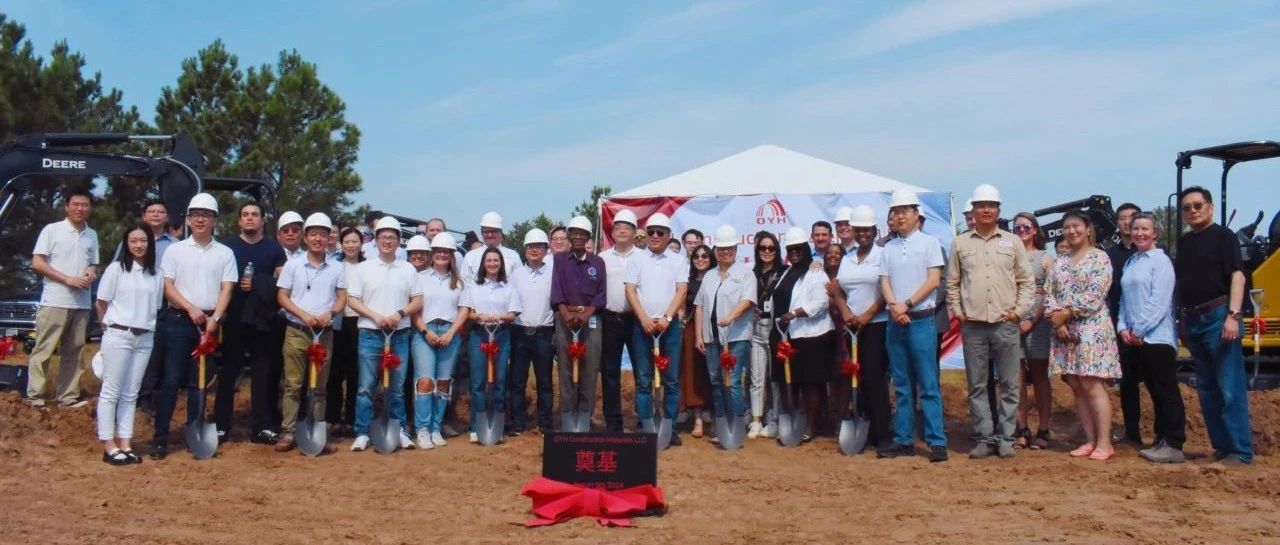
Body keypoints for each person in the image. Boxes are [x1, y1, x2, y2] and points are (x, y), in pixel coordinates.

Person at [946, 184, 1034, 459]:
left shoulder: (1012, 242)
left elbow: (1026, 281)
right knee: (977, 384)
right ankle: (984, 437)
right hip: (972, 325)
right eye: (981, 205)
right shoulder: (960, 243)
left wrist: (1018, 312)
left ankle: (1006, 437)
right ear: (972, 210)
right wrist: (958, 311)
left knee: (1009, 383)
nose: (986, 209)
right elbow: (952, 282)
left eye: (991, 205)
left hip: (1005, 323)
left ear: (998, 210)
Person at [149, 193, 236, 459]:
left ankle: (194, 431)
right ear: (187, 219)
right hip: (178, 321)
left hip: (209, 324)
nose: (200, 219)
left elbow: (227, 288)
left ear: (214, 221)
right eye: (195, 214)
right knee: (171, 380)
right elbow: (168, 286)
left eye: (206, 215)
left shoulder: (225, 253)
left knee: (199, 383)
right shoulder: (175, 250)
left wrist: (215, 319)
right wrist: (191, 308)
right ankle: (160, 438)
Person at [1175, 187, 1253, 466]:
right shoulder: (1184, 243)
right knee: (1207, 387)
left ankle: (1241, 451)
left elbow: (1238, 276)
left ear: (1209, 207)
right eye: (1187, 207)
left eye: (1198, 205)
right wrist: (1181, 320)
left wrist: (1233, 315)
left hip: (1218, 316)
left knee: (1230, 386)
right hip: (1193, 319)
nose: (1193, 210)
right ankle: (1221, 447)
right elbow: (1182, 282)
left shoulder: (1224, 237)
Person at [878, 189, 948, 462]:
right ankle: (903, 439)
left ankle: (937, 441)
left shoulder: (929, 243)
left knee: (928, 384)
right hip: (895, 323)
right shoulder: (889, 247)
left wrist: (905, 305)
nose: (900, 216)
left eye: (905, 211)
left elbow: (933, 281)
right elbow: (884, 281)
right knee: (903, 384)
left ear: (916, 214)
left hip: (921, 321)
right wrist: (895, 307)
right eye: (896, 212)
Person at [1045, 209, 1120, 461]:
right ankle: (1089, 440)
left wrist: (1066, 313)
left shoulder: (1100, 258)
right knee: (1076, 385)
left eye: (1076, 226)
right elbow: (1049, 293)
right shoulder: (1060, 261)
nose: (1072, 231)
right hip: (1064, 331)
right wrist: (1057, 321)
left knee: (1091, 384)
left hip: (1091, 328)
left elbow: (1095, 294)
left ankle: (1104, 442)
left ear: (1088, 229)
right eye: (1067, 227)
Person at [347, 217, 423, 452]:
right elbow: (352, 300)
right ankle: (362, 431)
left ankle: (399, 429)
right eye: (383, 237)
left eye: (392, 237)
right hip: (371, 333)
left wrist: (399, 314)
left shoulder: (408, 268)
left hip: (399, 334)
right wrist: (376, 316)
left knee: (397, 387)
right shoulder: (363, 268)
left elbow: (418, 300)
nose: (387, 241)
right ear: (376, 239)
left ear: (399, 241)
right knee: (366, 387)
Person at [215, 202, 288, 446]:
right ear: (238, 220)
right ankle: (221, 426)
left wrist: (258, 282)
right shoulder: (227, 247)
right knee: (229, 372)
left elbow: (283, 280)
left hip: (263, 319)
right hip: (234, 316)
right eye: (245, 215)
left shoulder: (274, 248)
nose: (249, 219)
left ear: (262, 220)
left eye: (254, 215)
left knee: (262, 374)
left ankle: (262, 426)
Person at [1117, 213, 1186, 463]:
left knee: (1165, 390)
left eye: (1145, 229)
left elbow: (1159, 301)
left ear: (1155, 233)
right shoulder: (1131, 262)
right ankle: (1160, 439)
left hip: (1157, 338)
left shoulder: (1161, 261)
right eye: (1136, 229)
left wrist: (1140, 330)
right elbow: (1124, 299)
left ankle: (1173, 442)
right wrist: (1123, 327)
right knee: (1154, 391)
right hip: (1134, 338)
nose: (1139, 233)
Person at [274, 213, 346, 453]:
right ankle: (288, 432)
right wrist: (303, 314)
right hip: (297, 330)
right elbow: (282, 296)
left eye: (322, 234)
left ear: (329, 238)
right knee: (293, 384)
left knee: (320, 386)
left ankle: (316, 428)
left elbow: (342, 297)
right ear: (306, 237)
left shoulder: (337, 267)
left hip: (324, 333)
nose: (318, 239)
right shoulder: (293, 265)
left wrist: (331, 313)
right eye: (313, 234)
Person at [94, 224, 162, 465]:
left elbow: (155, 307)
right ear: (126, 243)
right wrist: (108, 329)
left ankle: (126, 442)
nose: (139, 245)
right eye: (133, 241)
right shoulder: (116, 269)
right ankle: (108, 444)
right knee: (111, 391)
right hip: (119, 335)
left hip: (145, 337)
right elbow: (101, 303)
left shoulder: (156, 273)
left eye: (143, 240)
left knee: (131, 393)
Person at [27, 188, 99, 408]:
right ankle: (36, 396)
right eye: (76, 204)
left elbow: (93, 263)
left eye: (84, 205)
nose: (80, 209)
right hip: (55, 300)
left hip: (81, 302)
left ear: (90, 208)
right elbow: (37, 263)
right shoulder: (52, 230)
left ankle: (67, 396)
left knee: (75, 351)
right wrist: (67, 279)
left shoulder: (92, 234)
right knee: (44, 348)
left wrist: (90, 273)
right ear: (67, 206)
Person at [831, 205, 891, 453]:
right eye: (859, 230)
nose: (863, 234)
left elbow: (888, 291)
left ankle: (884, 435)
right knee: (857, 379)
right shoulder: (847, 258)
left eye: (867, 230)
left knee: (876, 379)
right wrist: (845, 312)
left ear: (875, 230)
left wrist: (867, 315)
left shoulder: (883, 255)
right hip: (852, 327)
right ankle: (865, 428)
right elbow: (838, 290)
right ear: (853, 231)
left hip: (876, 325)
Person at [626, 213, 689, 446]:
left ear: (668, 236)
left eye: (659, 232)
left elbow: (681, 290)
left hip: (669, 328)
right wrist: (643, 318)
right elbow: (630, 290)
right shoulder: (636, 259)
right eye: (650, 232)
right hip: (642, 326)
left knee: (671, 380)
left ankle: (669, 426)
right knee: (644, 380)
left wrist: (668, 317)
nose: (654, 236)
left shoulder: (678, 260)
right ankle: (645, 424)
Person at [769, 227, 833, 444]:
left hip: (810, 336)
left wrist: (795, 313)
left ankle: (810, 426)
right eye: (790, 249)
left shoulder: (816, 272)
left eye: (798, 249)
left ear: (806, 249)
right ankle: (791, 423)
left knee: (809, 383)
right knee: (788, 383)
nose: (794, 253)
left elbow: (821, 303)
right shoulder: (786, 271)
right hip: (784, 334)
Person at [694, 225, 755, 441]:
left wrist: (731, 316)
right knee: (716, 381)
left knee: (733, 381)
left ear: (736, 249)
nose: (726, 252)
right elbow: (699, 305)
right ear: (716, 251)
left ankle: (736, 423)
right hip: (711, 339)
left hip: (736, 337)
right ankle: (721, 424)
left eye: (730, 248)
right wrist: (699, 336)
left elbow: (748, 301)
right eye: (721, 249)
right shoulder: (709, 276)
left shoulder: (745, 273)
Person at [550, 217, 607, 432]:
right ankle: (567, 414)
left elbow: (601, 294)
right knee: (565, 369)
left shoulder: (597, 262)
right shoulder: (560, 260)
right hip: (565, 319)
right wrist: (566, 315)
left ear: (588, 237)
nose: (577, 237)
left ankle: (585, 415)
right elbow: (556, 290)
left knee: (590, 369)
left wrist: (586, 314)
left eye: (582, 233)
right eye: (573, 232)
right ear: (569, 235)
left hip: (591, 320)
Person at [409, 232, 467, 448]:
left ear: (452, 256)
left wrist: (451, 332)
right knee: (425, 381)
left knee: (443, 382)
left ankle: (435, 427)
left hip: (449, 332)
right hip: (425, 332)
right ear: (432, 255)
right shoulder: (420, 278)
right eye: (438, 252)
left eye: (447, 252)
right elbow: (415, 309)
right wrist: (426, 332)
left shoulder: (459, 283)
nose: (442, 255)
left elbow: (463, 310)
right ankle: (422, 429)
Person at [461, 247, 522, 443]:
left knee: (500, 381)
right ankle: (476, 425)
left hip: (501, 335)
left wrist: (500, 316)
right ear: (483, 264)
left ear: (501, 264)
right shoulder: (473, 286)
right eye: (489, 260)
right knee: (478, 382)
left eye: (496, 260)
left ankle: (497, 423)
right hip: (479, 335)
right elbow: (466, 312)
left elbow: (513, 313)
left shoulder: (508, 287)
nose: (493, 264)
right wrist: (479, 315)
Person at [128, 200, 178, 413]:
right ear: (144, 215)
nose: (156, 215)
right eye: (151, 211)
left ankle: (146, 397)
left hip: (161, 306)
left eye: (161, 211)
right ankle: (128, 396)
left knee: (154, 354)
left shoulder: (176, 245)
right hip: (132, 306)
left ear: (167, 217)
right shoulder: (132, 240)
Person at [1010, 212, 1054, 450]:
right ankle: (1021, 428)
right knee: (1015, 377)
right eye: (1017, 227)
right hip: (1012, 320)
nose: (1022, 230)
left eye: (1026, 226)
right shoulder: (1008, 256)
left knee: (1039, 376)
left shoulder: (1045, 259)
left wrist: (1033, 320)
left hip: (1037, 323)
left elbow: (1049, 294)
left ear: (1035, 230)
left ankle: (1044, 428)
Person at [509, 229, 556, 435]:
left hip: (544, 333)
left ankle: (545, 422)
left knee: (544, 381)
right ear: (525, 250)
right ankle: (518, 422)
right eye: (530, 247)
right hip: (519, 332)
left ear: (546, 249)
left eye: (538, 246)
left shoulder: (554, 273)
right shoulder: (516, 274)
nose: (534, 250)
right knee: (517, 381)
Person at [599, 210, 640, 432]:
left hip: (636, 320)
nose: (622, 230)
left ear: (635, 232)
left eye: (627, 227)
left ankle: (643, 418)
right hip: (610, 319)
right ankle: (613, 421)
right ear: (612, 232)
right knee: (610, 372)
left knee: (642, 371)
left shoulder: (643, 257)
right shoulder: (602, 258)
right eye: (618, 227)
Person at [1107, 202, 1144, 445]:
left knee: (1154, 381)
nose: (1127, 222)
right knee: (1128, 381)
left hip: (1147, 326)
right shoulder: (1110, 255)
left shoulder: (1153, 252)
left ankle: (1165, 435)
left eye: (1132, 217)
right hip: (1120, 325)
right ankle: (1132, 432)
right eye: (1122, 218)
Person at [327, 227, 364, 437]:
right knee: (334, 372)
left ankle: (351, 419)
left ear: (361, 243)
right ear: (341, 244)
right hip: (337, 322)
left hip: (359, 323)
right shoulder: (333, 265)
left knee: (355, 373)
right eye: (347, 242)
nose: (351, 245)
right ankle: (332, 418)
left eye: (355, 241)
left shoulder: (367, 267)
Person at [750, 231, 782, 439]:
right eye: (763, 248)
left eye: (771, 248)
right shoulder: (750, 274)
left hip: (777, 329)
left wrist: (815, 265)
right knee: (756, 377)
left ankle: (775, 419)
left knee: (775, 378)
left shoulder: (785, 272)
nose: (767, 252)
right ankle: (755, 420)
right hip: (755, 329)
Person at [679, 243, 714, 438]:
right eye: (696, 256)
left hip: (716, 330)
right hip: (692, 330)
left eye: (705, 256)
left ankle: (715, 416)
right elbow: (683, 307)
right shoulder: (688, 280)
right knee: (693, 374)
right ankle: (698, 419)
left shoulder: (718, 277)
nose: (700, 259)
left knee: (713, 374)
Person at [462, 212, 520, 281]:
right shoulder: (470, 256)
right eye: (486, 231)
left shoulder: (513, 256)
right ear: (481, 232)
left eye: (493, 231)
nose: (489, 235)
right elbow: (464, 284)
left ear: (500, 232)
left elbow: (520, 282)